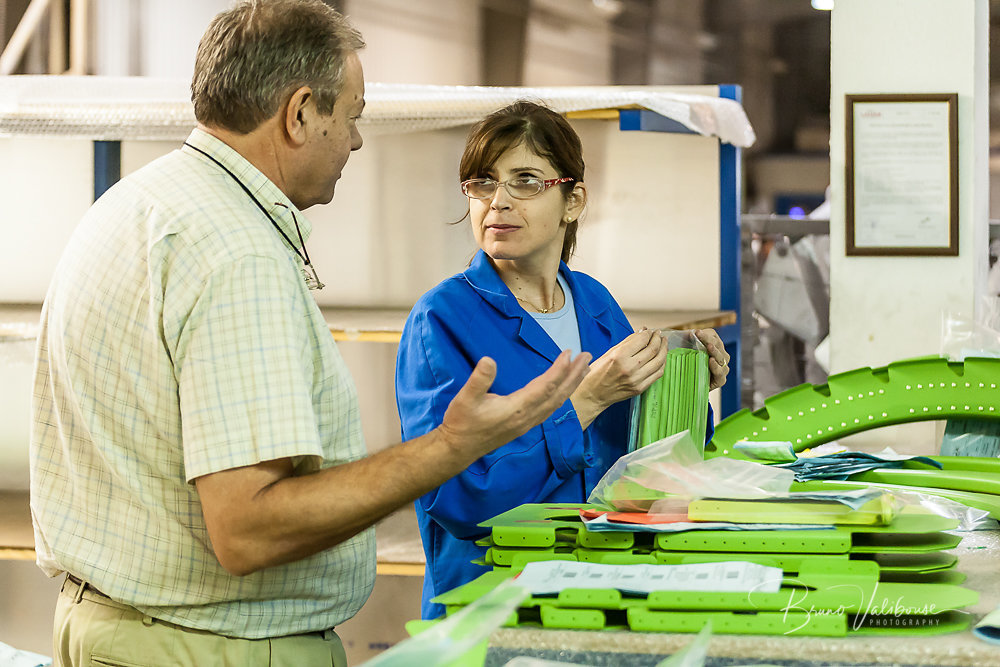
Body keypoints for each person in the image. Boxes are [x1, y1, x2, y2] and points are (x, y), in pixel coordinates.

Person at [29, 4, 591, 665]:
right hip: (209, 648)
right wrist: (447, 448)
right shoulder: (237, 255)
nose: (355, 140)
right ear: (300, 113)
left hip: (125, 624)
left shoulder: (139, 204)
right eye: (350, 116)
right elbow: (249, 529)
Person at [394, 100, 731, 619]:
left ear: (573, 201)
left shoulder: (594, 304)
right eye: (483, 182)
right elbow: (457, 498)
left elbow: (648, 467)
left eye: (526, 180)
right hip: (492, 607)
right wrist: (585, 400)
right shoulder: (443, 319)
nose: (498, 202)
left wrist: (686, 389)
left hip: (600, 594)